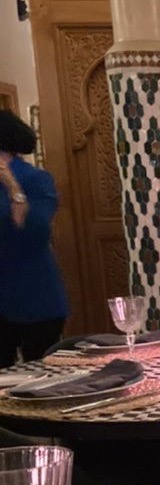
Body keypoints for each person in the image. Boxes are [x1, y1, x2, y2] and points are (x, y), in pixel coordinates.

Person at [0, 109, 69, 368]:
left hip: (34, 294)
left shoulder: (35, 179)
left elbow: (35, 232)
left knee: (41, 377)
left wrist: (12, 186)